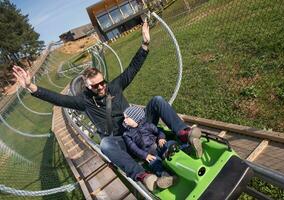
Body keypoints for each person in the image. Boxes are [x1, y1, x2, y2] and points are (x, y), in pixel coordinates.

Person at [13, 21, 203, 192]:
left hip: (140, 126)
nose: (102, 87)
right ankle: (144, 176)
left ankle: (184, 134)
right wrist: (31, 87)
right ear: (88, 86)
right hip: (122, 139)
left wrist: (144, 44)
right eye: (96, 85)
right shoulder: (84, 101)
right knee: (105, 144)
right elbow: (58, 99)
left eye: (102, 82)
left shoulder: (114, 86)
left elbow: (132, 69)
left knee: (158, 100)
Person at [123, 105, 177, 189]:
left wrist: (161, 138)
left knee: (169, 143)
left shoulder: (147, 125)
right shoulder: (127, 134)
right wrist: (145, 156)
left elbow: (158, 131)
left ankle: (182, 148)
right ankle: (167, 177)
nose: (124, 120)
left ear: (135, 118)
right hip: (149, 153)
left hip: (158, 145)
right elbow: (133, 148)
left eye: (127, 118)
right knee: (154, 164)